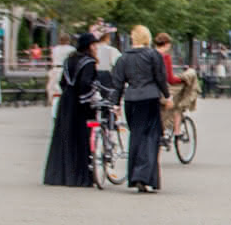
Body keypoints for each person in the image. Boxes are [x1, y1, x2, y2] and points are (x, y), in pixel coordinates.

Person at [111, 25, 172, 194]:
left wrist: (115, 104)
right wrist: (167, 96)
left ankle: (135, 175)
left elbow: (117, 83)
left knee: (136, 136)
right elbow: (160, 77)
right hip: (150, 98)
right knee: (151, 137)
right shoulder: (152, 55)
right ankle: (145, 176)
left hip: (131, 99)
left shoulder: (123, 58)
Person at [43, 34, 99, 185]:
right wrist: (91, 101)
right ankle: (78, 176)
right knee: (80, 137)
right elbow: (86, 84)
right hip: (80, 104)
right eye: (94, 45)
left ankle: (60, 174)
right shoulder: (89, 62)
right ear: (88, 46)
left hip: (66, 100)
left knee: (64, 136)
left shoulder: (69, 60)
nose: (96, 48)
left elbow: (63, 82)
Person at [46, 34, 73, 118]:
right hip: (65, 70)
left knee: (53, 89)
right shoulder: (71, 49)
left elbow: (52, 58)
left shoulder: (55, 49)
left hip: (55, 70)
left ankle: (52, 104)